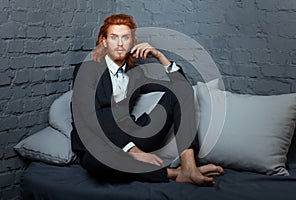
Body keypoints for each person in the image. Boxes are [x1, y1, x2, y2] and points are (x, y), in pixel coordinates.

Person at [71, 13, 223, 186]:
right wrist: (133, 150)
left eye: (125, 38)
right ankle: (175, 173)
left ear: (132, 42)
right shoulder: (87, 71)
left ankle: (189, 165)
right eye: (114, 38)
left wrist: (160, 57)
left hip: (132, 133)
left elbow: (181, 86)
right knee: (99, 161)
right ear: (104, 42)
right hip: (98, 142)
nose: (120, 44)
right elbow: (94, 117)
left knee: (181, 93)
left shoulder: (137, 75)